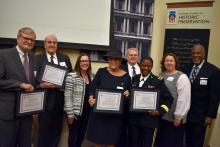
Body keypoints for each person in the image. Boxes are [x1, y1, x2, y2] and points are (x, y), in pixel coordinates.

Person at [0, 27, 36, 146]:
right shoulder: (4, 55)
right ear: (18, 38)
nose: (29, 42)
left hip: (26, 112)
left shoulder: (32, 57)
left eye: (32, 40)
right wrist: (19, 84)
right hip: (8, 112)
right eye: (26, 38)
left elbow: (31, 81)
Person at [87, 50, 131, 147]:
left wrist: (128, 94)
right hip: (100, 115)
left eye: (116, 59)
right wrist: (91, 98)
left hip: (115, 117)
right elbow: (92, 87)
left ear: (120, 61)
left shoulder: (126, 76)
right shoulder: (101, 72)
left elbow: (128, 95)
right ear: (108, 60)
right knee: (98, 142)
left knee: (112, 142)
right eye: (110, 59)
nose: (113, 61)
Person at [35, 34, 73, 147]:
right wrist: (41, 85)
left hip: (60, 101)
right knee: (43, 132)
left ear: (57, 45)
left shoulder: (64, 58)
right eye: (49, 42)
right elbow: (32, 79)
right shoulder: (37, 58)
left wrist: (64, 85)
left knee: (57, 131)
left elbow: (70, 77)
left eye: (54, 42)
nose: (52, 44)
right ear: (44, 44)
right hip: (44, 102)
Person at [129, 56, 173, 147]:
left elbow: (169, 99)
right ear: (140, 65)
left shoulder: (158, 81)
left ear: (152, 66)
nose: (146, 68)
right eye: (143, 65)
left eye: (148, 66)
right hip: (134, 120)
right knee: (134, 144)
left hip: (149, 121)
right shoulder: (134, 78)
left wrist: (159, 111)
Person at [184, 44, 220, 147]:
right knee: (186, 140)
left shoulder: (213, 71)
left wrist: (210, 116)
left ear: (203, 54)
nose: (195, 55)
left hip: (201, 116)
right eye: (193, 53)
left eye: (198, 53)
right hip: (186, 114)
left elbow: (215, 96)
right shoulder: (186, 68)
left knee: (197, 142)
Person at [156, 53, 191, 147]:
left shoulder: (182, 77)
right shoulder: (161, 75)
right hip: (162, 116)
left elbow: (184, 98)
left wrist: (178, 116)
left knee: (172, 143)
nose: (169, 62)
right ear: (163, 63)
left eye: (171, 60)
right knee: (162, 142)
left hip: (174, 119)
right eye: (166, 61)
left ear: (175, 62)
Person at [64, 53, 94, 147]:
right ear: (78, 63)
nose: (84, 63)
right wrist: (70, 114)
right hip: (75, 113)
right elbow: (67, 95)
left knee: (81, 137)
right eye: (82, 61)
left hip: (87, 113)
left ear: (89, 62)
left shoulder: (92, 77)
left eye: (86, 61)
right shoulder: (71, 76)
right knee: (73, 138)